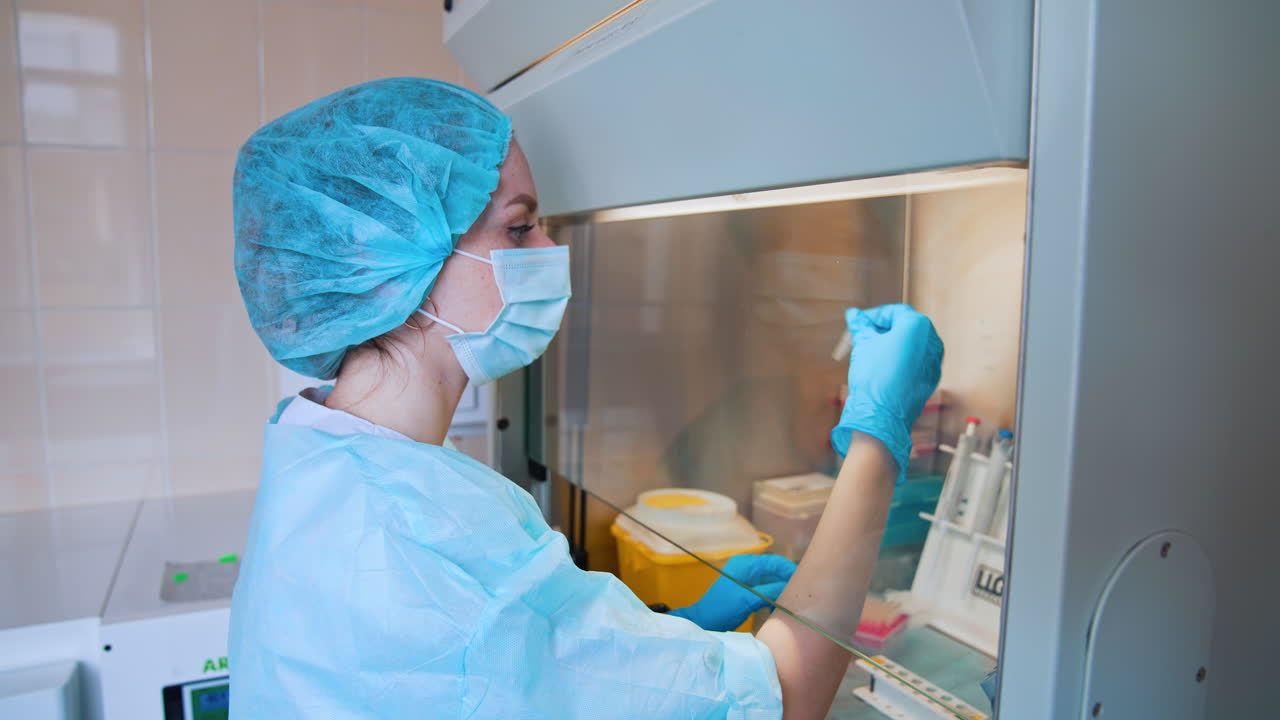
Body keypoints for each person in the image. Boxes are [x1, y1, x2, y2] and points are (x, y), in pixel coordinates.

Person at [228, 78, 942, 720]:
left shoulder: (322, 455)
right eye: (518, 226)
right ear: (399, 265)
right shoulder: (431, 549)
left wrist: (661, 630)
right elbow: (787, 697)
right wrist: (879, 432)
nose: (546, 246)